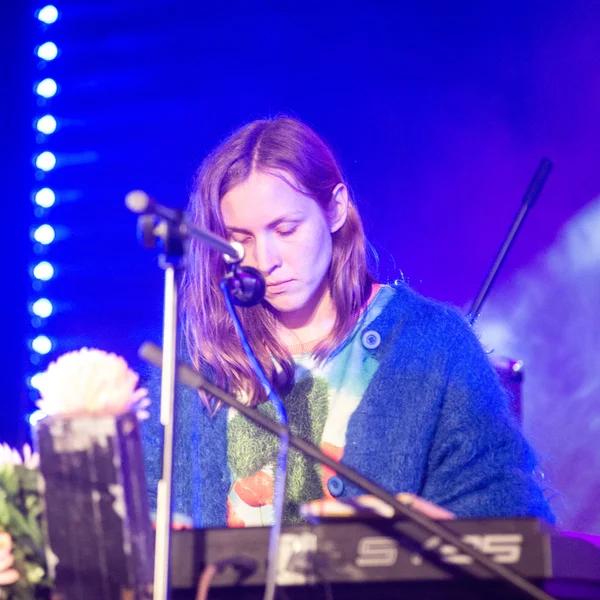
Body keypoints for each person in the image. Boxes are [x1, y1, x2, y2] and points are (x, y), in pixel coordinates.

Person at [142, 116, 554, 528]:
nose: (265, 261)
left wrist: (431, 529)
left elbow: (514, 523)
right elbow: (138, 505)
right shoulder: (196, 358)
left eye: (285, 229)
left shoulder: (432, 345)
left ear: (335, 209)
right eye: (241, 239)